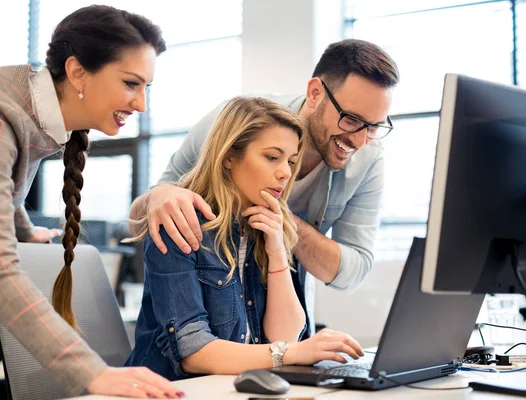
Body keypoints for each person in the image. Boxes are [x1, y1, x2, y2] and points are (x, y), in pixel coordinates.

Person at [0, 5, 183, 399]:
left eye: (147, 88)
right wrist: (94, 373)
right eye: (131, 83)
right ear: (77, 72)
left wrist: (26, 232)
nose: (141, 104)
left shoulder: (34, 110)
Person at [129, 39, 400, 337]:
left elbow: (352, 273)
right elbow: (141, 220)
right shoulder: (238, 123)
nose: (361, 141)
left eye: (374, 127)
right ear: (315, 93)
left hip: (270, 336)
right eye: (351, 120)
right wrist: (159, 195)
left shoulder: (369, 157)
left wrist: (282, 227)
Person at [125, 97, 364, 379]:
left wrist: (277, 253)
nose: (286, 172)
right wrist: (294, 353)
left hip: (234, 388)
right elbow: (193, 352)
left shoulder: (265, 228)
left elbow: (284, 335)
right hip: (169, 390)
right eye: (272, 157)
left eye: (290, 160)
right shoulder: (180, 222)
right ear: (228, 156)